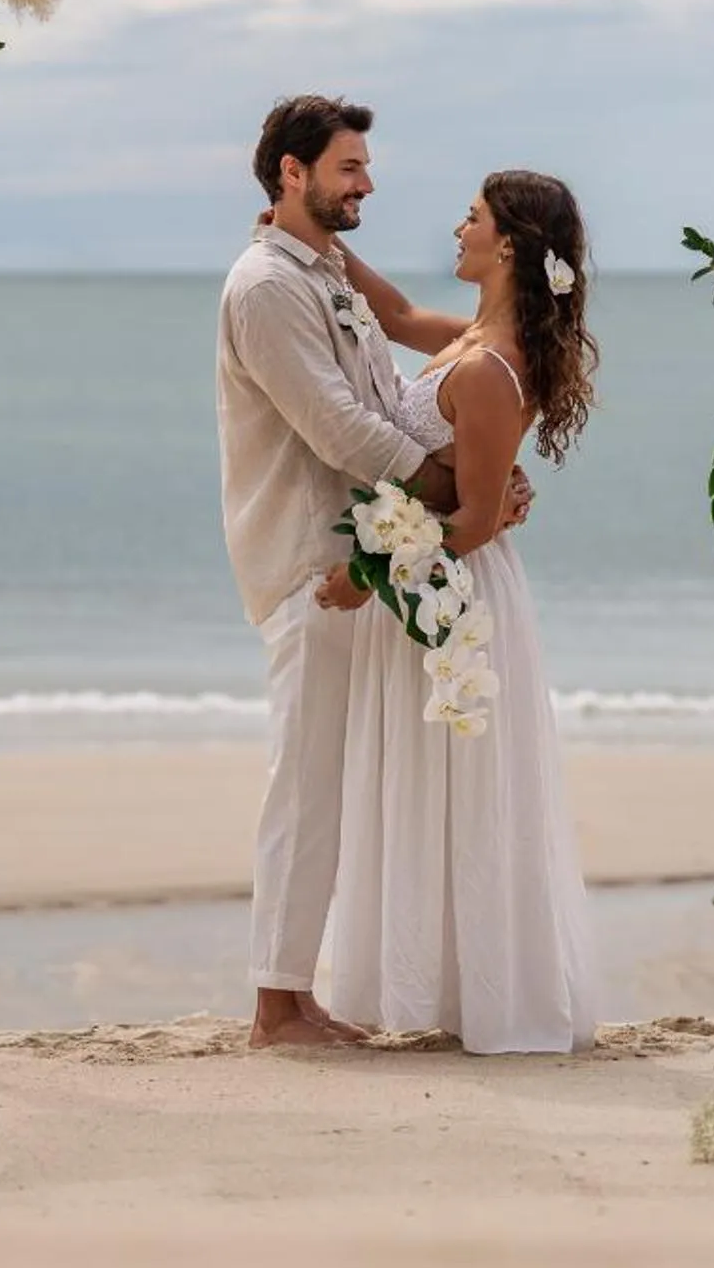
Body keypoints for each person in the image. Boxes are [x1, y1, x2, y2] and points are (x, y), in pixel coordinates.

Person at [214, 95, 529, 1050]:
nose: (369, 182)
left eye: (365, 165)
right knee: (304, 784)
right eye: (350, 167)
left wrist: (481, 476)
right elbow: (340, 427)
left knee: (331, 785)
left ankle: (297, 992)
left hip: (365, 554)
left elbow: (388, 381)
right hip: (317, 561)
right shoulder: (268, 287)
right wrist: (458, 486)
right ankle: (275, 1005)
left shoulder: (318, 272)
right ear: (292, 174)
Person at [325, 170, 602, 1054]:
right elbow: (401, 319)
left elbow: (478, 519)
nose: (459, 226)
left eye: (473, 218)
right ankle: (438, 983)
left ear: (509, 243)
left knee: (462, 796)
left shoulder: (487, 367)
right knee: (432, 789)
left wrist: (369, 572)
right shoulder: (473, 338)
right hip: (434, 583)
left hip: (454, 602)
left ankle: (481, 994)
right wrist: (324, 247)